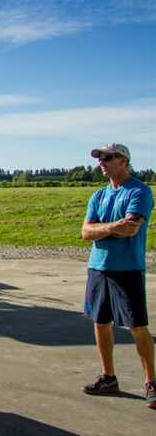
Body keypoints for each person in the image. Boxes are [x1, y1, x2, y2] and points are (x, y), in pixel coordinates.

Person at [79, 143, 154, 409]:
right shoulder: (98, 195)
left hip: (127, 269)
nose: (102, 162)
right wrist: (112, 227)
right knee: (100, 323)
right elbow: (85, 233)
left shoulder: (140, 191)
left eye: (108, 157)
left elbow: (131, 228)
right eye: (100, 158)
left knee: (136, 325)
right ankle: (108, 376)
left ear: (124, 161)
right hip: (98, 267)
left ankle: (151, 382)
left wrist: (100, 229)